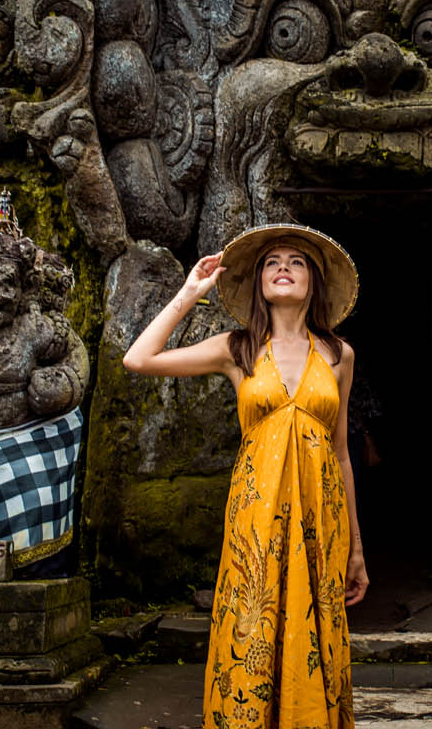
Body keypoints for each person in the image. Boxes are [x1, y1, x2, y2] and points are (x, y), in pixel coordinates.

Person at [123, 223, 367, 729]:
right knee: (253, 627)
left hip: (321, 520)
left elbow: (342, 454)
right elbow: (138, 358)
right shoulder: (236, 348)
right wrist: (188, 295)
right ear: (258, 282)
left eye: (296, 261)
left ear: (313, 282)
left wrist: (357, 550)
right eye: (272, 262)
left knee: (314, 627)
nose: (283, 267)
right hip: (255, 520)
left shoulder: (338, 354)